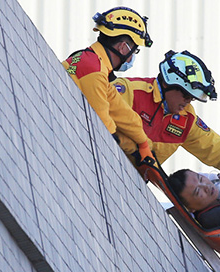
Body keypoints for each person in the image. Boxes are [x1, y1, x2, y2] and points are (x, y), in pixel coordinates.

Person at [112, 50, 220, 216]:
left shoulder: (186, 120)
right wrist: (127, 143)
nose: (188, 102)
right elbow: (95, 117)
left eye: (192, 98)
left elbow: (219, 151)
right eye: (185, 95)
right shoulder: (130, 91)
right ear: (167, 84)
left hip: (126, 187)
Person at [62, 7, 154, 163]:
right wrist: (129, 147)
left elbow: (120, 110)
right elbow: (104, 131)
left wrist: (144, 143)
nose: (132, 57)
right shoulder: (95, 71)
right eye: (135, 51)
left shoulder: (94, 62)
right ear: (123, 47)